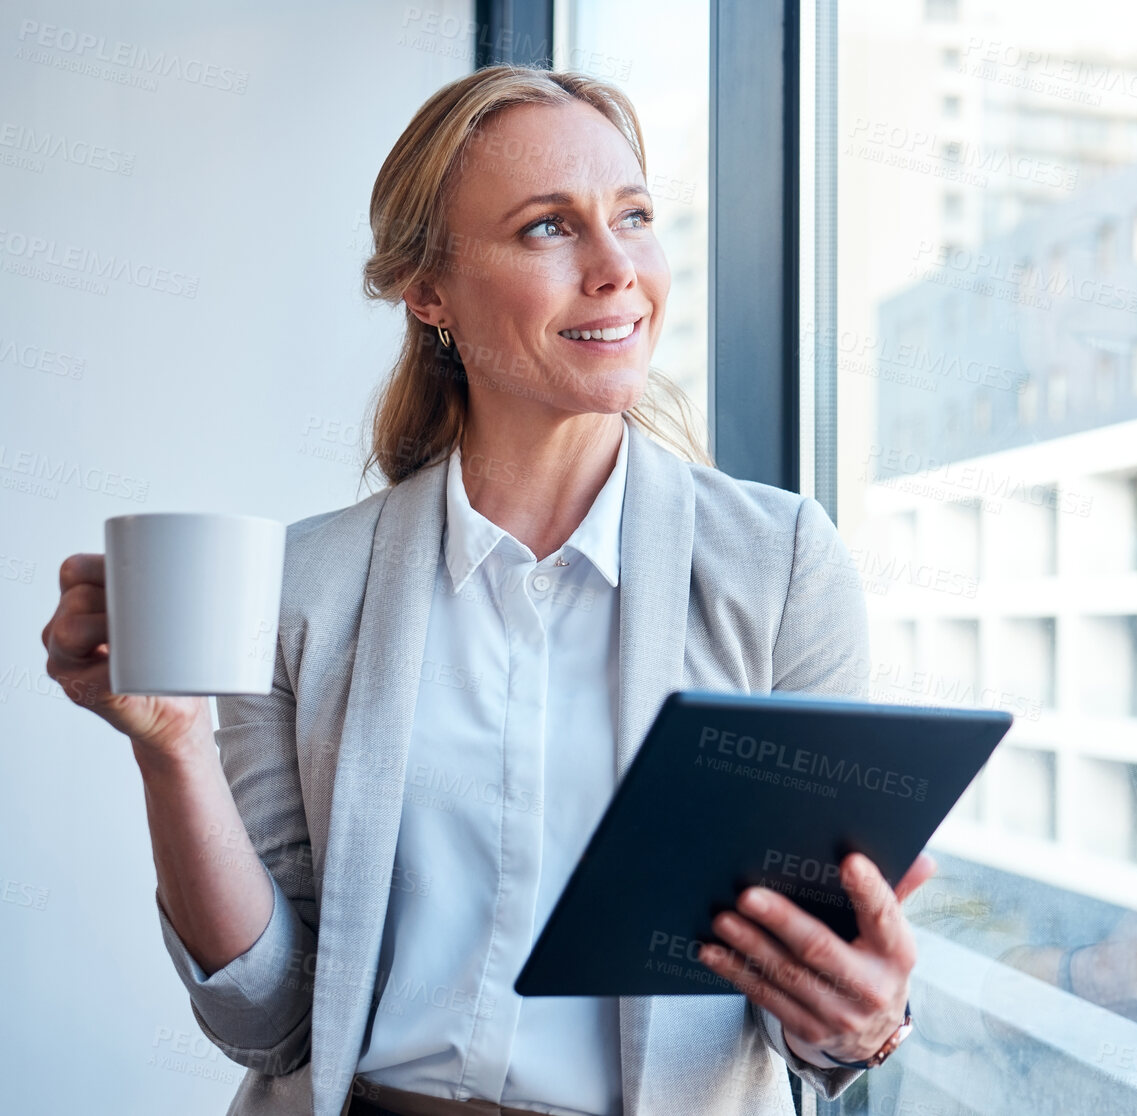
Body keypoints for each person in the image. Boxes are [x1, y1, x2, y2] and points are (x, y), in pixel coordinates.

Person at [40, 65, 930, 1116]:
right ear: (428, 293)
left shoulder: (777, 565)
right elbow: (268, 1021)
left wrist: (863, 1021)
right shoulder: (306, 586)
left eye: (633, 216)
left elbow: (807, 1004)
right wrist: (172, 748)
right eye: (548, 228)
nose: (616, 269)